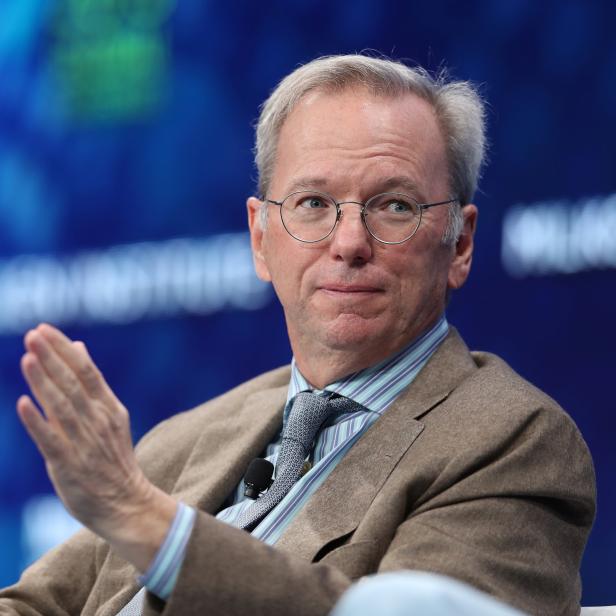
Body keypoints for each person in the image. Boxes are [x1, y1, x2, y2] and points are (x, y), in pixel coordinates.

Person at [0, 54, 595, 616]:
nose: (349, 242)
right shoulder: (182, 441)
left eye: (393, 206)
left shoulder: (512, 443)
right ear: (261, 238)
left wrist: (151, 525)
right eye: (313, 202)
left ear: (459, 244)